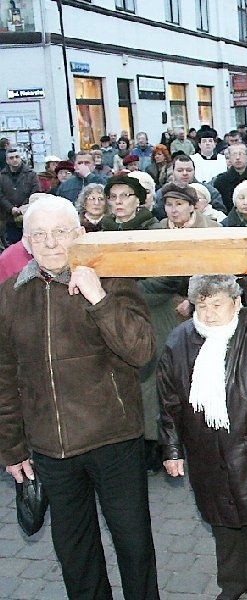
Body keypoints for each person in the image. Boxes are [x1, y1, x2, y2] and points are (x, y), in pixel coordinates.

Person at [0, 195, 160, 599]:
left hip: (113, 438)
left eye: (61, 232)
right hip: (51, 449)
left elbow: (141, 351)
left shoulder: (112, 280)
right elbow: (4, 376)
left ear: (80, 235)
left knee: (134, 544)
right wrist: (12, 448)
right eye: (40, 234)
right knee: (75, 553)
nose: (52, 243)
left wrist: (98, 298)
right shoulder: (11, 296)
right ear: (26, 243)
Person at [158, 274, 247, 600]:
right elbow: (169, 401)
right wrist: (171, 449)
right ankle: (232, 586)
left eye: (217, 304)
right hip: (207, 453)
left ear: (237, 303)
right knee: (222, 527)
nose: (208, 313)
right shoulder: (179, 340)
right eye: (202, 305)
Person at [0, 147, 40, 245]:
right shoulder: (2, 176)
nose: (14, 160)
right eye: (11, 158)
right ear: (7, 161)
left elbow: (36, 193)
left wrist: (22, 208)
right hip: (9, 219)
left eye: (17, 157)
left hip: (28, 217)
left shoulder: (31, 174)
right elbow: (0, 195)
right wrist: (11, 208)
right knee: (13, 246)